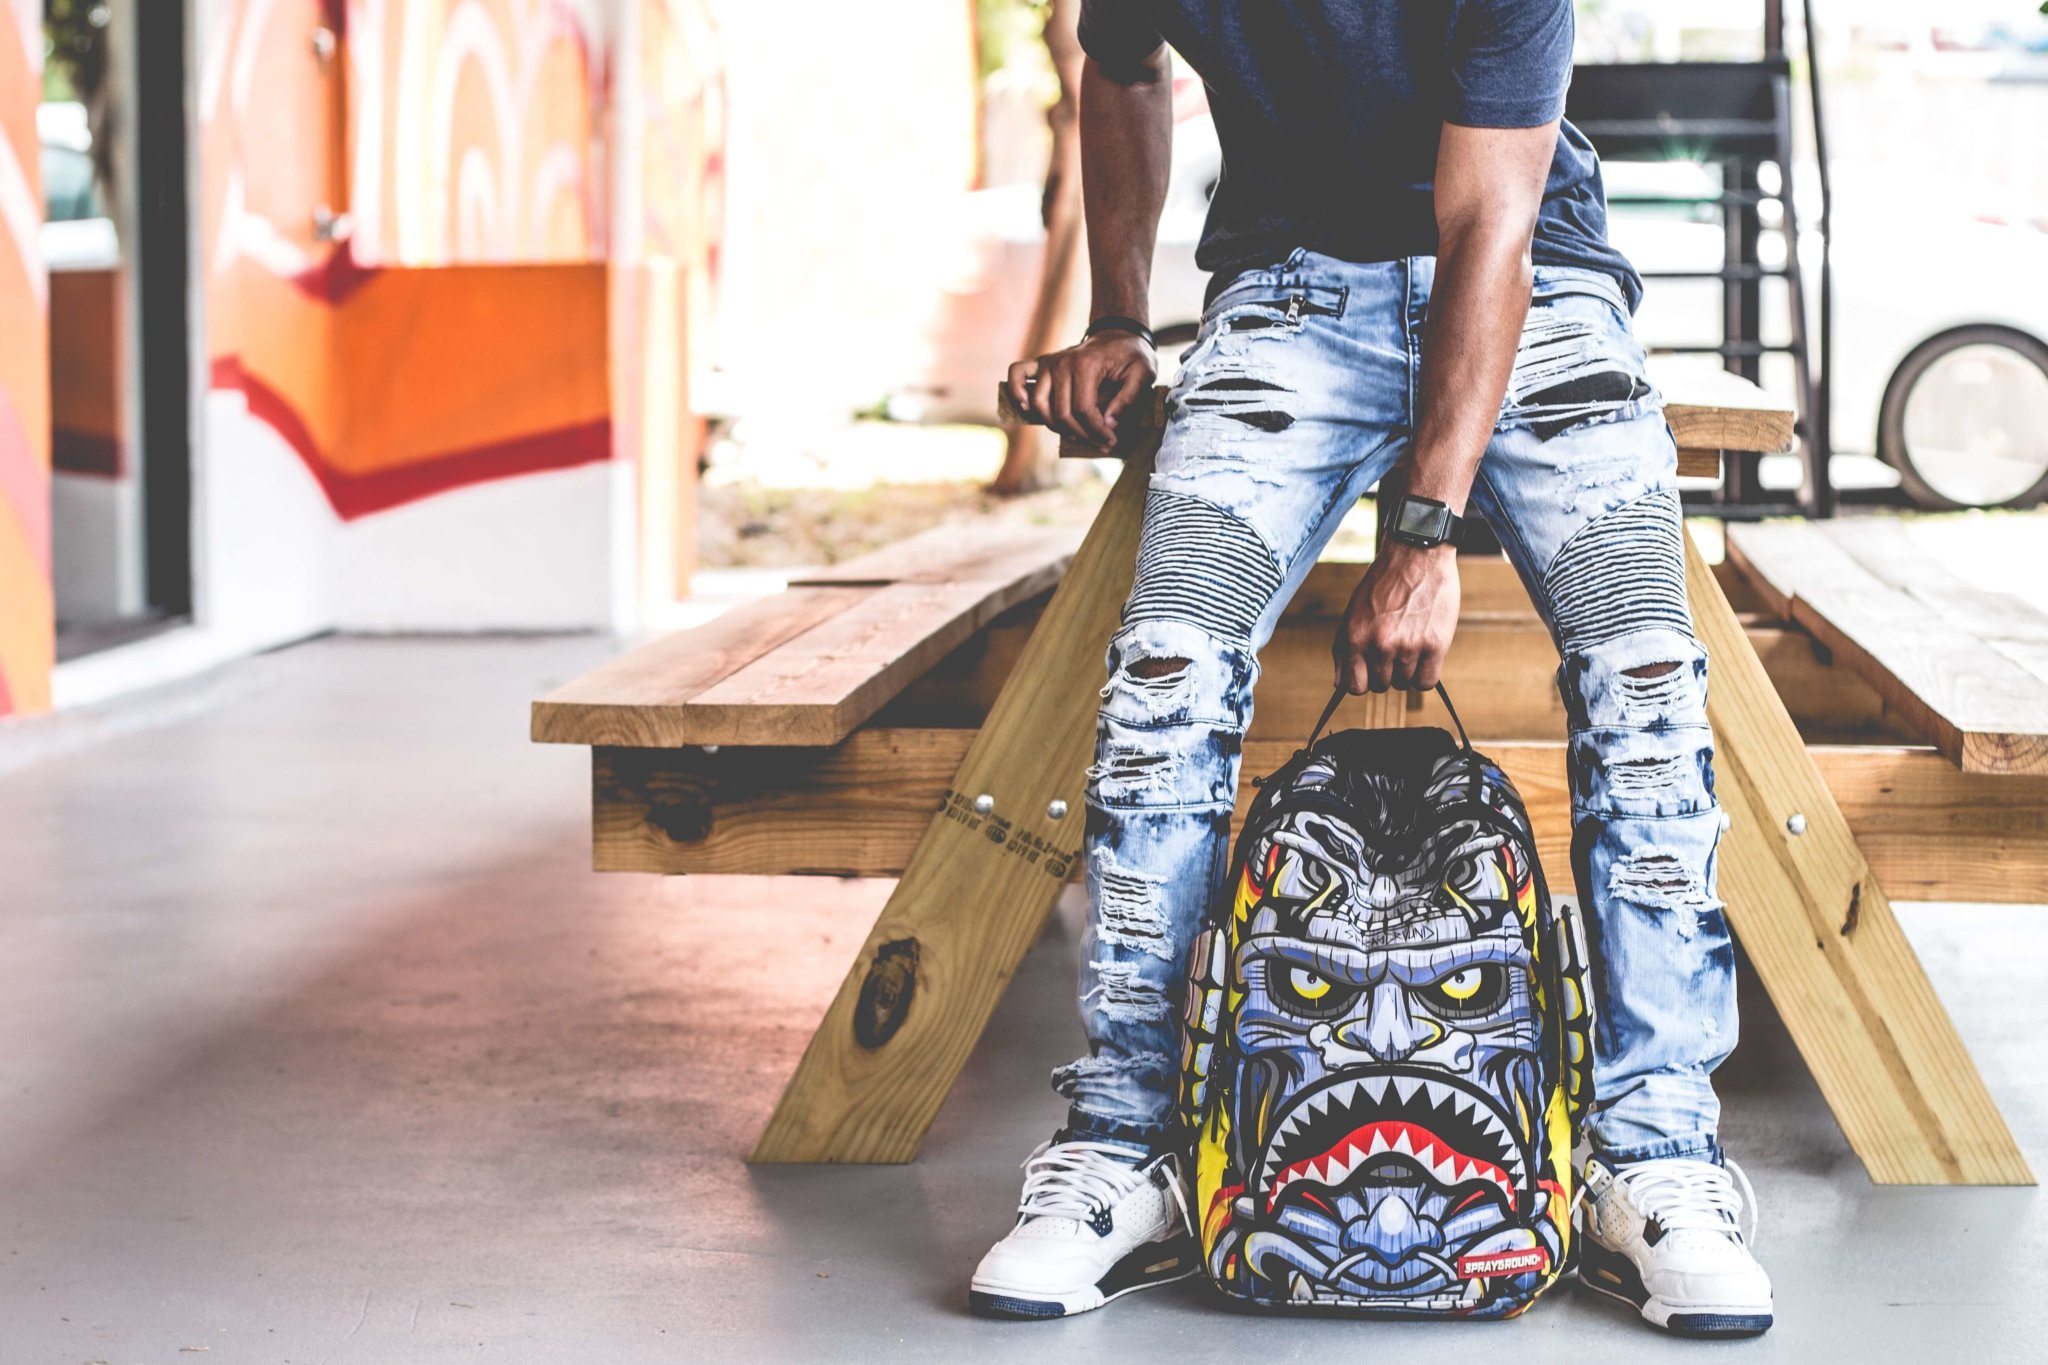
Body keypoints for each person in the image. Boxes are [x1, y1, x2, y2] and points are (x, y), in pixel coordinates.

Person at [969, 0, 1773, 1338]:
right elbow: (1116, 65)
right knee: (1165, 670)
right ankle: (1129, 1145)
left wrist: (1425, 533)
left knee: (1645, 680)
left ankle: (1658, 1154)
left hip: (1537, 289)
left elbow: (1489, 229)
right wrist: (1119, 310)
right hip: (1289, 295)